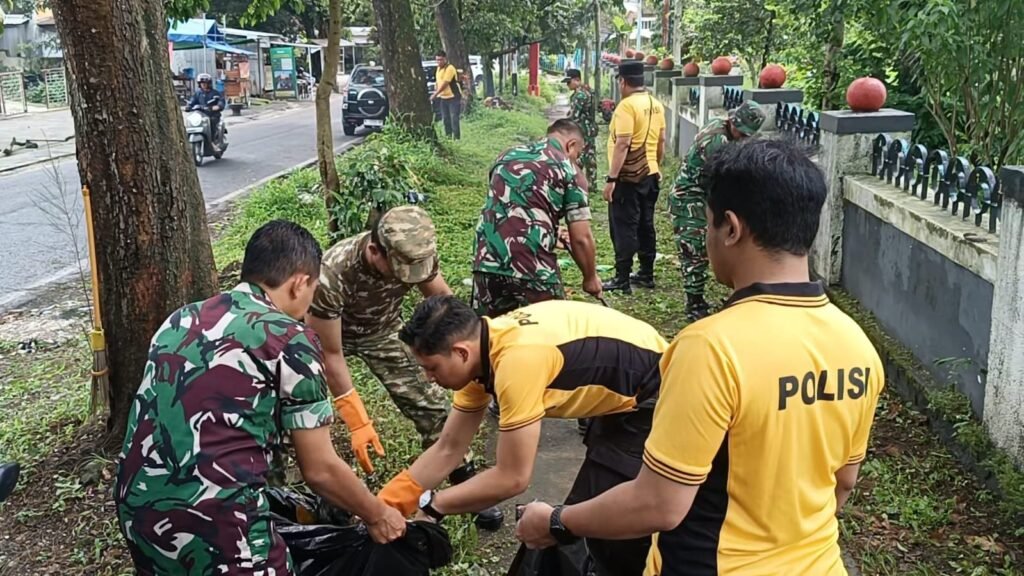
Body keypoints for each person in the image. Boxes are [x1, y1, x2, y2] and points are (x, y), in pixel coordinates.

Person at [516, 138, 886, 576]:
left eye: (709, 223)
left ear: (731, 228)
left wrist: (556, 521)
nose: (707, 237)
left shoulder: (711, 348)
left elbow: (658, 504)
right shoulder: (858, 345)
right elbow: (843, 483)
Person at [114, 220, 407, 576]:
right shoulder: (291, 339)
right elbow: (320, 470)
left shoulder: (179, 319)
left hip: (137, 512)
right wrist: (378, 515)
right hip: (217, 523)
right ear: (299, 283)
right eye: (313, 290)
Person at [378, 296, 669, 576]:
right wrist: (385, 506)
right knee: (586, 519)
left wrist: (435, 505)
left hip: (659, 396)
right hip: (624, 395)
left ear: (461, 352)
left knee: (596, 526)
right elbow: (448, 448)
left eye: (431, 368)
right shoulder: (485, 350)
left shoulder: (517, 362)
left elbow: (513, 477)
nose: (428, 377)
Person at [305, 205, 504, 530]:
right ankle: (316, 498)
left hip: (382, 331)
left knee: (433, 406)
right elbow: (330, 352)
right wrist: (357, 420)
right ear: (375, 251)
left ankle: (466, 484)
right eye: (400, 269)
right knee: (302, 416)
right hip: (327, 335)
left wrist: (475, 352)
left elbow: (445, 303)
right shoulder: (333, 273)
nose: (409, 275)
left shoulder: (415, 253)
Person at [472, 119, 601, 318]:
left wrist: (551, 231)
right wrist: (590, 278)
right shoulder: (569, 169)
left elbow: (510, 204)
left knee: (491, 332)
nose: (577, 160)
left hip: (487, 261)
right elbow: (581, 238)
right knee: (549, 330)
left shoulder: (507, 155)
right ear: (571, 145)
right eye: (578, 154)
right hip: (533, 267)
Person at [670, 100, 765, 321]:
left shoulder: (725, 129)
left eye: (747, 135)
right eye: (741, 133)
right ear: (733, 122)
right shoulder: (717, 141)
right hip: (689, 197)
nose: (743, 138)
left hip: (706, 195)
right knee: (694, 248)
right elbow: (727, 179)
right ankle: (694, 303)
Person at [603, 61, 666, 295]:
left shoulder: (626, 106)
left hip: (627, 178)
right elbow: (661, 141)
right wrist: (656, 166)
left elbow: (623, 143)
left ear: (622, 81)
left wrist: (612, 179)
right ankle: (646, 274)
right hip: (650, 174)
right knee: (646, 224)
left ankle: (622, 277)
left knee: (624, 225)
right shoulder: (656, 104)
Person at [564, 68, 598, 191]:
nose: (567, 85)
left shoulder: (580, 95)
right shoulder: (588, 91)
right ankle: (591, 184)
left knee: (580, 155)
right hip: (589, 128)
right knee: (590, 155)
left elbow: (574, 116)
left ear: (577, 80)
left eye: (569, 82)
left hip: (581, 129)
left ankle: (576, 183)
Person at [186, 73, 225, 149]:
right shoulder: (197, 93)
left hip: (212, 114)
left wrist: (217, 106)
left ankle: (213, 141)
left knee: (212, 121)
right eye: (201, 83)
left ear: (209, 83)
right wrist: (188, 106)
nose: (203, 84)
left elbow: (221, 102)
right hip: (200, 115)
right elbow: (192, 101)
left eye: (205, 83)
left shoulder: (215, 93)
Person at [431, 50, 462, 140]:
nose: (439, 62)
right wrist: (436, 90)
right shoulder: (438, 69)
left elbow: (445, 83)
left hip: (453, 97)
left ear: (445, 59)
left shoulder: (450, 68)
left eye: (441, 60)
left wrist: (435, 94)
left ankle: (456, 138)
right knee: (445, 119)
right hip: (443, 97)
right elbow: (438, 82)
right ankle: (448, 137)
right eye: (437, 60)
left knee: (454, 118)